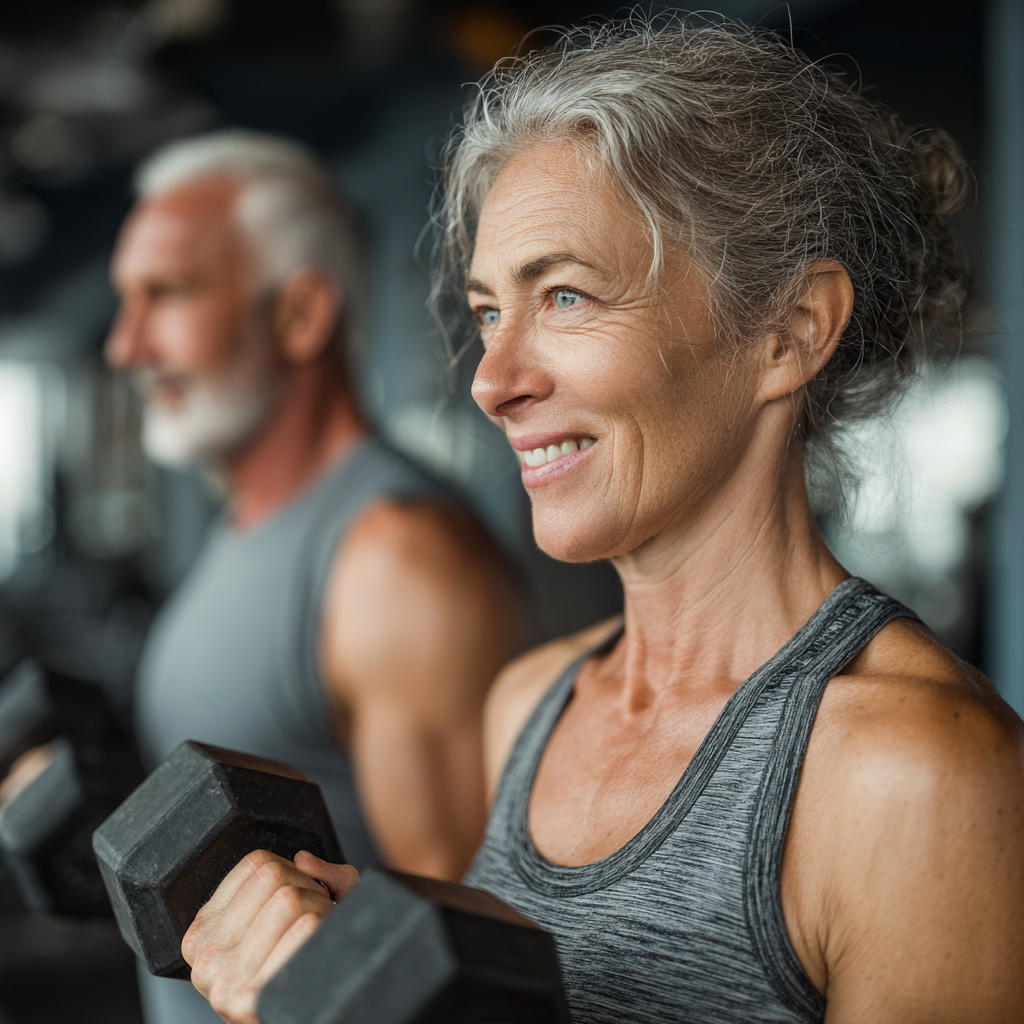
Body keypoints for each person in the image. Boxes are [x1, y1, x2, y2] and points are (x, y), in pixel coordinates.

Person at [180, 21, 1024, 1024]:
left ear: (788, 333)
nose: (492, 381)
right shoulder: (526, 707)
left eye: (566, 295)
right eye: (491, 310)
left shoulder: (918, 772)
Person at [104, 130, 522, 1023]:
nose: (125, 344)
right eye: (124, 302)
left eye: (165, 295)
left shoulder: (394, 556)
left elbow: (457, 964)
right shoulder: (245, 526)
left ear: (300, 314)